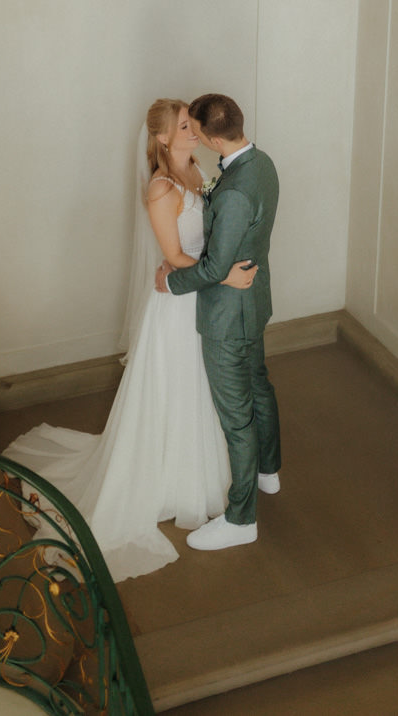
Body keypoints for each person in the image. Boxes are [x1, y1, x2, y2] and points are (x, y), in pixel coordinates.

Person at [3, 99, 255, 581]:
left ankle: (192, 478)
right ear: (163, 138)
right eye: (184, 126)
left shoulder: (199, 170)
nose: (193, 130)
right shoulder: (161, 189)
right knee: (173, 388)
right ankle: (161, 479)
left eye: (192, 124)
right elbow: (175, 256)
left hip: (198, 298)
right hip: (178, 305)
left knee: (198, 389)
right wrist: (224, 278)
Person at [157, 93, 281, 551]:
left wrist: (168, 285)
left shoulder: (231, 193)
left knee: (236, 417)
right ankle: (269, 472)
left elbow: (212, 270)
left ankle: (241, 519)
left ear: (210, 139)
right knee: (259, 386)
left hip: (229, 316)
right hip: (256, 301)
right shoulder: (262, 163)